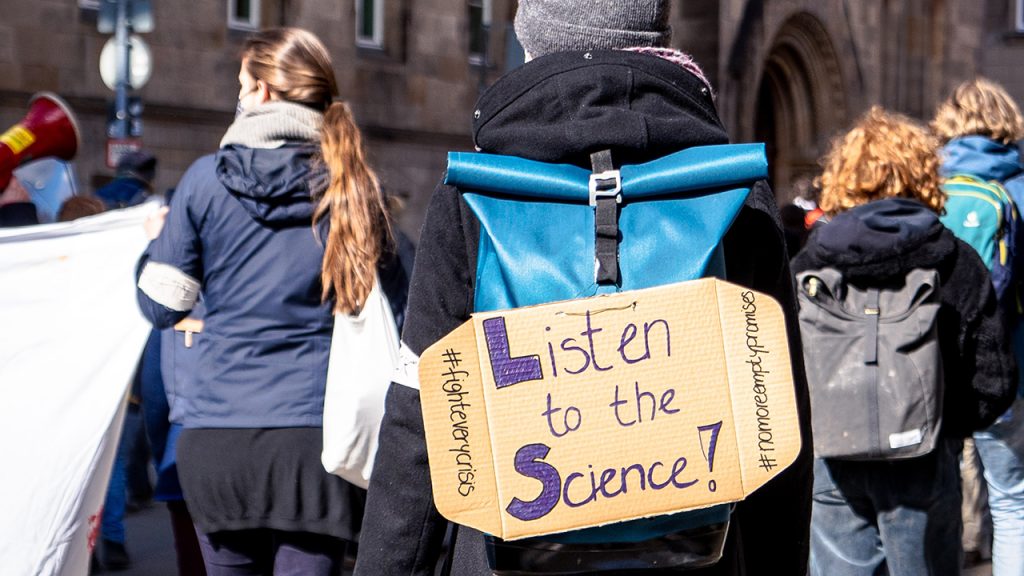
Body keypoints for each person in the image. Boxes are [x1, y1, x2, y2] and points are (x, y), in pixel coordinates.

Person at [353, 1, 814, 574]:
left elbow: (420, 420)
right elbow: (779, 417)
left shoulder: (473, 198)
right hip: (699, 556)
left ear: (536, 43)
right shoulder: (735, 195)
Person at [135, 27, 408, 575]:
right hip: (314, 444)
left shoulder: (204, 182)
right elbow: (400, 313)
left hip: (216, 442)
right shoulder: (351, 185)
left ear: (260, 91)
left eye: (242, 83)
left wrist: (151, 246)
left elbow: (163, 307)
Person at [792, 106, 1016, 575]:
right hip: (925, 456)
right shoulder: (954, 258)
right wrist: (949, 429)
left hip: (835, 454)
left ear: (842, 177)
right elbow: (992, 378)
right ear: (925, 174)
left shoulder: (811, 262)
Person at [932, 77, 1024, 575]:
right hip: (1010, 368)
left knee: (940, 494)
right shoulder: (1019, 189)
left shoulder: (926, 186)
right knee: (1011, 500)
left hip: (933, 367)